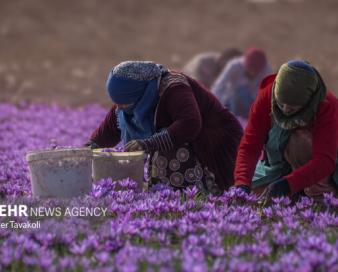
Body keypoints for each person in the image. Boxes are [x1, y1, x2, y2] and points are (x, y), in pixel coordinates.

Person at [86, 61, 243, 194]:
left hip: (216, 140)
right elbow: (112, 125)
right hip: (194, 139)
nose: (119, 108)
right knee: (161, 145)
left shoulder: (174, 88)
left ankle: (187, 197)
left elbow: (190, 124)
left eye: (123, 103)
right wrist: (90, 147)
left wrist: (149, 143)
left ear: (139, 93)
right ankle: (163, 194)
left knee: (167, 149)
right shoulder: (133, 96)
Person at [234, 60, 338, 200]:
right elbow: (250, 146)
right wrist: (242, 183)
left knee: (300, 142)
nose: (285, 110)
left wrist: (288, 184)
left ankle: (319, 197)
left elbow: (324, 160)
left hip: (320, 165)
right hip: (279, 161)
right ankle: (286, 185)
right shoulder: (268, 95)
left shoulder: (326, 105)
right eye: (281, 104)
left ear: (308, 102)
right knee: (250, 194)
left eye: (293, 107)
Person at [211, 47, 272, 118]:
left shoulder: (266, 71)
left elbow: (267, 96)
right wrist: (213, 105)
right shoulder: (234, 66)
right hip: (230, 100)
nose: (253, 72)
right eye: (251, 68)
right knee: (240, 92)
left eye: (256, 70)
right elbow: (220, 85)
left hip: (252, 104)